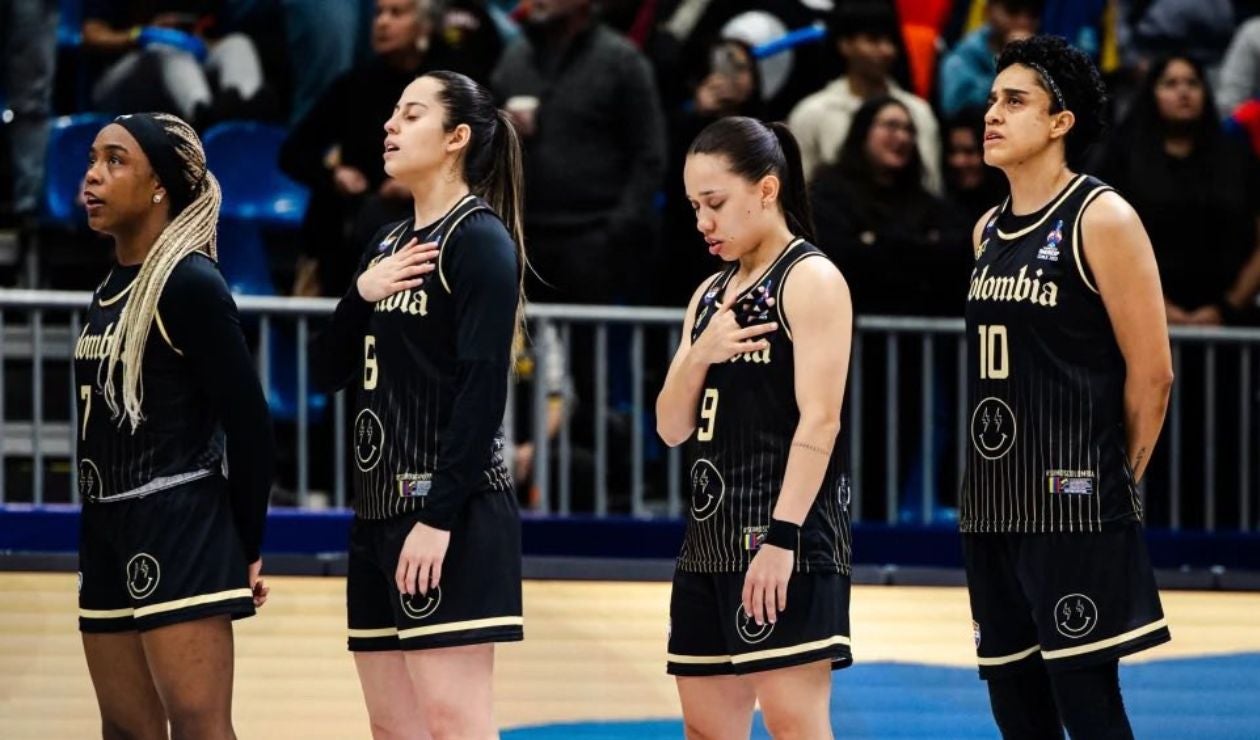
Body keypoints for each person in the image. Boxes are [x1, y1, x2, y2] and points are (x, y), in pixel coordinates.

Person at [963, 36, 1173, 738]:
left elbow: (1153, 372)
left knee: (1088, 706)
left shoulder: (1101, 216)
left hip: (1074, 504)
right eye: (992, 99)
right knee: (1015, 710)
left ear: (1060, 122)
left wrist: (1115, 480)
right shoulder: (986, 230)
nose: (992, 114)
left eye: (1014, 101)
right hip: (992, 501)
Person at [310, 70, 524, 739]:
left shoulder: (479, 240)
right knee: (392, 729)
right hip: (376, 513)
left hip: (447, 510)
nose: (389, 125)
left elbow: (483, 392)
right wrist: (360, 294)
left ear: (456, 137)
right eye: (393, 113)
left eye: (411, 114)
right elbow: (327, 371)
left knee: (455, 722)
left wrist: (438, 517)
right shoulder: (385, 242)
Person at [75, 112, 273, 738]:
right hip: (105, 524)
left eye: (115, 161)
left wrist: (246, 544)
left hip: (179, 523)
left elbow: (251, 425)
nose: (92, 176)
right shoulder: (111, 286)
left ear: (160, 185)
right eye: (91, 159)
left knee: (199, 728)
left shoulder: (190, 283)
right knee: (124, 729)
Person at [656, 116, 854, 739]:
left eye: (715, 203)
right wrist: (700, 352)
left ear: (766, 190)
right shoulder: (708, 295)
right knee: (705, 730)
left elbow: (821, 419)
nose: (703, 222)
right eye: (694, 207)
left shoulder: (811, 278)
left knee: (795, 726)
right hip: (707, 539)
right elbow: (669, 426)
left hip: (783, 536)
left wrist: (782, 538)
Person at [279, 0, 435, 297]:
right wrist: (334, 175)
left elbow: (476, 157)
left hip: (423, 227)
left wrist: (421, 184)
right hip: (348, 230)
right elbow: (293, 153)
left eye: (396, 13)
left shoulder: (445, 88)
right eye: (378, 13)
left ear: (423, 26)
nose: (383, 22)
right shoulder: (355, 84)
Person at [788, 1, 941, 190]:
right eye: (873, 40)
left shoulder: (918, 111)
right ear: (845, 45)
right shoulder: (812, 113)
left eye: (891, 41)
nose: (886, 50)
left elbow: (931, 186)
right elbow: (798, 193)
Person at [82, 0, 268, 125]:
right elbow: (92, 35)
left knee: (238, 44)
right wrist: (141, 34)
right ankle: (201, 117)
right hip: (122, 80)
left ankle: (242, 112)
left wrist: (193, 40)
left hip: (187, 72)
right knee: (166, 47)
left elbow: (216, 39)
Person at [938, 0, 1042, 117]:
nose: (1023, 22)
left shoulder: (1043, 53)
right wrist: (1009, 62)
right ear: (988, 11)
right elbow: (954, 106)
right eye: (1013, 10)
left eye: (1033, 14)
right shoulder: (965, 54)